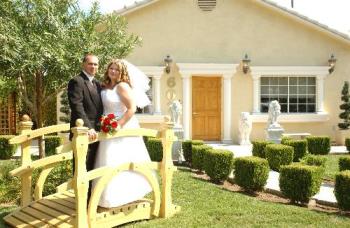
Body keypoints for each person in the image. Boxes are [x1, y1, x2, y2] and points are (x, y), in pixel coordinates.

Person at [92, 59, 152, 208]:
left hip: (122, 127)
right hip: (107, 126)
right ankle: (107, 197)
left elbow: (131, 108)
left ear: (122, 72)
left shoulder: (122, 86)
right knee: (107, 159)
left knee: (120, 159)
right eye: (111, 68)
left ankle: (126, 195)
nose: (113, 71)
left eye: (116, 70)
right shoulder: (105, 86)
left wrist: (118, 125)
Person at [67, 54, 103, 197]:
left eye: (96, 64)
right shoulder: (76, 81)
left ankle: (92, 199)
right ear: (83, 64)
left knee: (95, 166)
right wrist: (89, 128)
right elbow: (77, 106)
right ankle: (81, 200)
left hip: (99, 132)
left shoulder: (98, 84)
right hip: (84, 132)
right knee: (83, 167)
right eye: (90, 64)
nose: (93, 67)